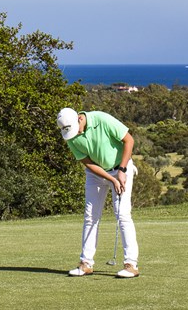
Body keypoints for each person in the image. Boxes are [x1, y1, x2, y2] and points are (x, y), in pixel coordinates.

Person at [56, 107, 140, 278]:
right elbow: (88, 163)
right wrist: (111, 180)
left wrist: (122, 171)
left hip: (121, 167)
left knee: (122, 214)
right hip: (97, 174)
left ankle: (131, 264)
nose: (75, 134)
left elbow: (129, 141)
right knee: (91, 216)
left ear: (79, 119)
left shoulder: (101, 119)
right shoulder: (70, 134)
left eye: (75, 129)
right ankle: (86, 263)